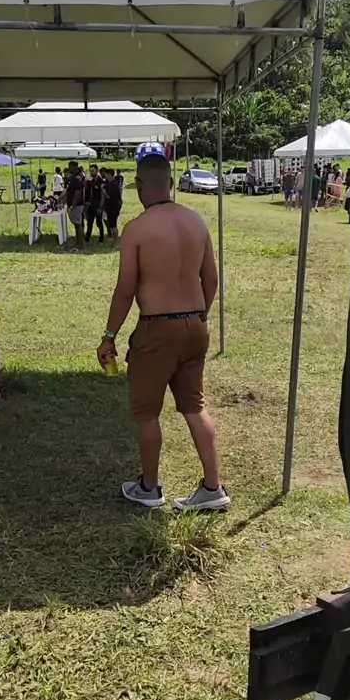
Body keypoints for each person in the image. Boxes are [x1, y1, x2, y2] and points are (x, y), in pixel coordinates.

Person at [97, 153, 230, 512]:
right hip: (195, 326)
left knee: (146, 412)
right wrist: (199, 316)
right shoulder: (196, 222)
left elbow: (125, 290)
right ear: (170, 183)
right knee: (194, 407)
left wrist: (109, 335)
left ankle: (149, 487)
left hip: (157, 329)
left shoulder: (137, 229)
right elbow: (211, 280)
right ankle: (213, 487)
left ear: (140, 185)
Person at [66, 160, 85, 249]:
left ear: (74, 167)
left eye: (70, 167)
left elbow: (78, 193)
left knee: (78, 224)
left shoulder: (78, 178)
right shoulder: (72, 178)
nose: (69, 169)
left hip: (77, 205)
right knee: (76, 224)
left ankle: (80, 243)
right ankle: (78, 242)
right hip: (73, 204)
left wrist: (73, 205)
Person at [102, 168, 122, 245]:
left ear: (109, 174)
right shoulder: (109, 183)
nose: (105, 176)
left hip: (114, 206)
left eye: (106, 175)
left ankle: (116, 241)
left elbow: (108, 196)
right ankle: (114, 239)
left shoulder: (114, 184)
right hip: (109, 206)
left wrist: (103, 191)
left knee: (113, 224)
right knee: (111, 224)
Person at [85, 164, 104, 244]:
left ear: (97, 170)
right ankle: (87, 237)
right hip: (91, 205)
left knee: (99, 222)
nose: (91, 172)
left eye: (93, 171)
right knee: (89, 222)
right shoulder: (91, 181)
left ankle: (101, 237)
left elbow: (103, 195)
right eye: (90, 171)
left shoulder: (101, 181)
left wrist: (100, 207)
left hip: (98, 205)